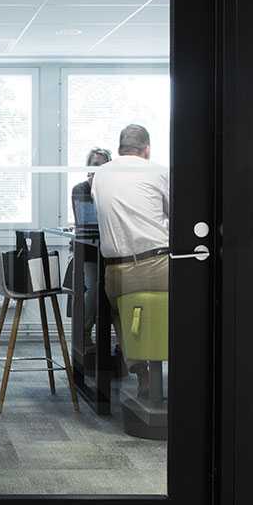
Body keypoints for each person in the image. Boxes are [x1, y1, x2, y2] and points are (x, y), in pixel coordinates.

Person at [91, 124, 170, 391]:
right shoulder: (159, 172)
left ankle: (141, 372)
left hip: (119, 272)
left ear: (119, 149)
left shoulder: (100, 175)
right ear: (146, 149)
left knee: (120, 314)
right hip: (160, 266)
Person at [70, 148, 111, 347]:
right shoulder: (80, 189)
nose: (99, 169)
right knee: (95, 288)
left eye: (103, 165)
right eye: (95, 165)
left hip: (111, 252)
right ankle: (84, 333)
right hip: (88, 252)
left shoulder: (114, 190)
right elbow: (88, 224)